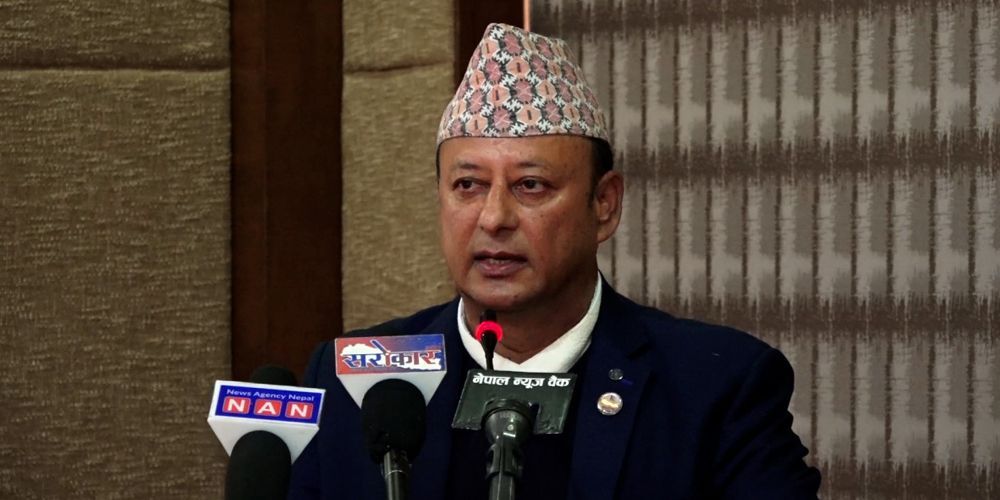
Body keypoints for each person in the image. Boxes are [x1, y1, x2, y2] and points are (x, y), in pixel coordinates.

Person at [288, 23, 821, 499]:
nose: (494, 218)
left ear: (604, 204)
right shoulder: (354, 379)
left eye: (531, 186)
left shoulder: (715, 385)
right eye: (468, 185)